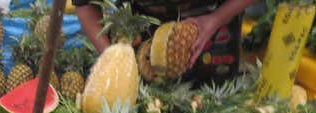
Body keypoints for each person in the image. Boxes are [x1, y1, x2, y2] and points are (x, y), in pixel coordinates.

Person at [74, 0, 256, 82]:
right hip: (144, 40)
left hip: (215, 32)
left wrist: (217, 18)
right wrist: (112, 56)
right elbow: (85, 4)